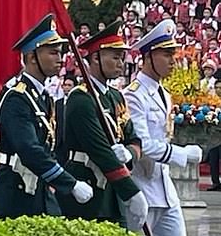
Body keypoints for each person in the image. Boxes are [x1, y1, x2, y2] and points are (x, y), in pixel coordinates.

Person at [0, 14, 93, 219]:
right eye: (53, 52)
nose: (59, 59)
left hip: (40, 186)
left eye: (60, 53)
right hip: (16, 190)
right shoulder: (16, 97)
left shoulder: (44, 97)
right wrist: (69, 183)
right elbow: (28, 148)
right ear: (32, 57)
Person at [58, 21, 148, 230]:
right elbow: (99, 150)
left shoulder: (116, 97)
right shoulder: (80, 99)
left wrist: (129, 154)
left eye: (122, 58)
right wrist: (132, 192)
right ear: (96, 58)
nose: (121, 63)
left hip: (112, 191)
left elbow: (134, 139)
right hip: (88, 187)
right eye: (115, 57)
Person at [122, 19, 204, 236]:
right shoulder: (133, 94)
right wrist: (183, 153)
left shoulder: (164, 94)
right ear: (148, 57)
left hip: (165, 188)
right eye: (166, 55)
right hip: (141, 185)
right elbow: (143, 144)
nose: (172, 62)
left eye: (173, 55)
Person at [54, 76, 76, 164]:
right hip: (59, 142)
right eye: (65, 85)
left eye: (69, 85)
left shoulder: (76, 104)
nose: (66, 87)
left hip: (71, 142)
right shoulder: (57, 103)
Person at [208, 79, 221, 191]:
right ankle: (215, 182)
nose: (218, 90)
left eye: (220, 88)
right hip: (214, 135)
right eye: (216, 88)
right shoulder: (210, 101)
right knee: (213, 159)